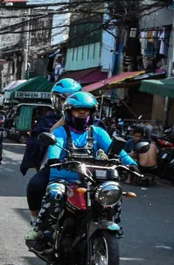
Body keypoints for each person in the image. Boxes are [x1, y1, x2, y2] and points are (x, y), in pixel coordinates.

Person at [25, 92, 138, 250]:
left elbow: (115, 149)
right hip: (63, 178)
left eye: (86, 110)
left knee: (113, 193)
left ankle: (113, 225)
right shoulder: (60, 132)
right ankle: (42, 231)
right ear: (69, 112)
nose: (83, 113)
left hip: (92, 180)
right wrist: (54, 159)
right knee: (54, 194)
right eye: (78, 110)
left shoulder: (98, 132)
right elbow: (55, 149)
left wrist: (130, 163)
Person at [22, 78, 82, 221]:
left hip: (87, 170)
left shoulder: (94, 123)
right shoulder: (48, 120)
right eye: (65, 100)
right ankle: (35, 220)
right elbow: (38, 144)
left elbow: (107, 145)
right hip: (57, 167)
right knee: (35, 185)